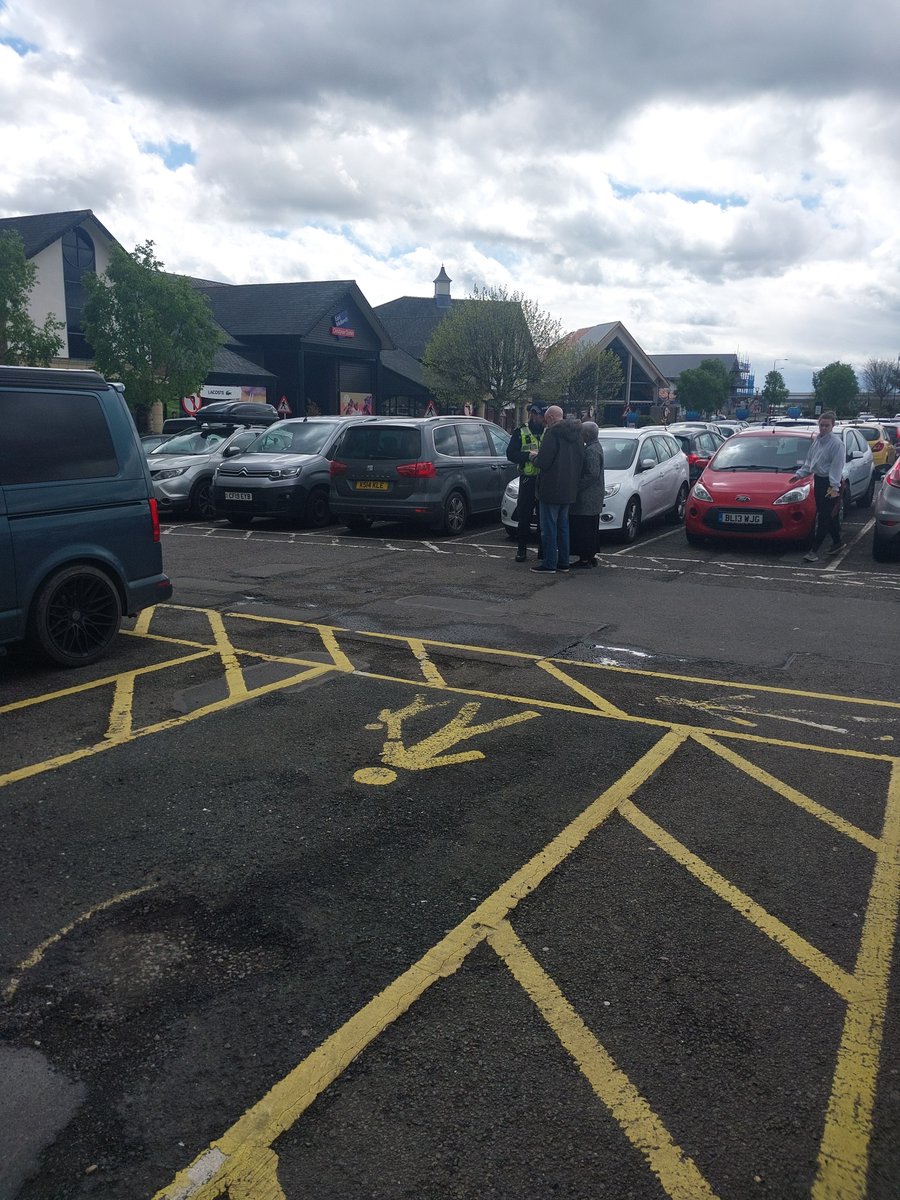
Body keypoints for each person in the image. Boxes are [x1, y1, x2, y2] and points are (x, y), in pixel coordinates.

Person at [530, 407, 584, 573]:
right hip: (569, 488)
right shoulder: (577, 434)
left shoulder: (552, 433)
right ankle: (563, 562)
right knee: (563, 526)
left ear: (551, 417)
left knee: (549, 528)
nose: (545, 423)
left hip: (551, 487)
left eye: (546, 419)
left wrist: (534, 457)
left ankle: (549, 563)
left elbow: (544, 462)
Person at [790, 411, 846, 563]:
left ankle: (814, 550)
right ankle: (838, 542)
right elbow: (810, 462)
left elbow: (837, 466)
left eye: (827, 425)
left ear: (832, 426)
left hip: (830, 483)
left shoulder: (836, 444)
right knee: (827, 514)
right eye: (821, 425)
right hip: (819, 481)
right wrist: (800, 474)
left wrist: (834, 487)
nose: (823, 428)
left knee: (823, 517)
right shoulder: (818, 440)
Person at [506, 401, 545, 562]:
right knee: (525, 516)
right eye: (541, 416)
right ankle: (521, 550)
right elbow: (510, 454)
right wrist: (527, 456)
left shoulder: (549, 431)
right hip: (528, 480)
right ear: (533, 414)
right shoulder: (521, 431)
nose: (543, 419)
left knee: (544, 517)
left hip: (544, 480)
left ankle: (542, 551)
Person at [569, 421, 604, 567]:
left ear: (587, 435)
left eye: (581, 434)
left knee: (584, 528)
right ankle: (590, 556)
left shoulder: (591, 450)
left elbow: (592, 474)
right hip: (594, 496)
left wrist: (575, 486)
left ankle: (585, 559)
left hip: (587, 498)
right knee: (591, 527)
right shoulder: (596, 447)